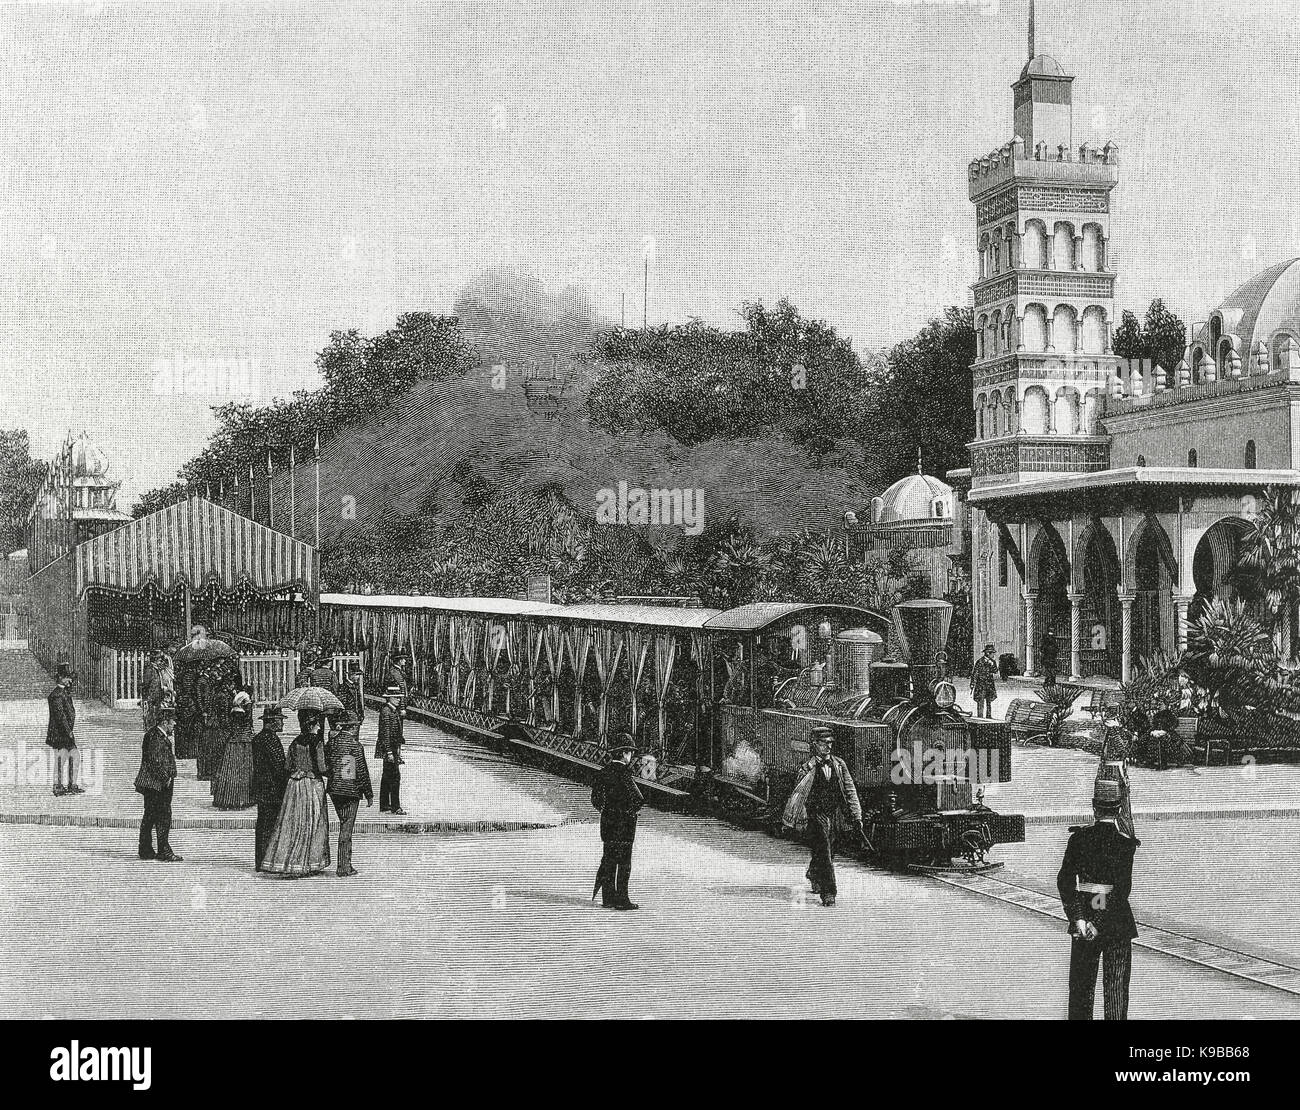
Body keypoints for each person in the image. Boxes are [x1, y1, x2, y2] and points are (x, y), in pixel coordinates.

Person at [1056, 777, 1140, 1020]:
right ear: (1119, 809)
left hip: (1083, 923)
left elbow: (1065, 882)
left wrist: (1081, 919)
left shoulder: (1078, 839)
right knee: (1115, 995)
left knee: (1081, 994)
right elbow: (1120, 892)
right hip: (1116, 925)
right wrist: (1099, 923)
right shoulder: (1125, 845)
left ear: (1094, 806)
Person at [783, 728, 864, 907]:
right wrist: (794, 818)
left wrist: (856, 815)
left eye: (830, 743)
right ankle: (829, 893)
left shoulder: (839, 765)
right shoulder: (807, 768)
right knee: (824, 850)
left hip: (836, 813)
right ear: (815, 745)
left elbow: (850, 790)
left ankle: (813, 872)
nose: (828, 746)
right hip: (816, 814)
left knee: (830, 850)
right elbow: (798, 795)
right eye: (824, 743)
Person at [261, 710, 331, 877]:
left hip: (295, 786)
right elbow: (322, 768)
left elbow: (287, 766)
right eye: (317, 724)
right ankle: (309, 863)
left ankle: (291, 862)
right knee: (313, 823)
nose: (320, 726)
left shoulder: (294, 742)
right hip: (312, 785)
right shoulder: (318, 743)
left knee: (293, 823)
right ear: (312, 725)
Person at [591, 735, 645, 910]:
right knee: (624, 863)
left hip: (608, 824)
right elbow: (638, 799)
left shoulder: (603, 772)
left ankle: (608, 899)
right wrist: (628, 812)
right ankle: (622, 900)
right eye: (630, 753)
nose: (631, 757)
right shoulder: (624, 773)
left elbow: (595, 799)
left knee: (609, 861)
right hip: (625, 827)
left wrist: (607, 811)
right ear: (624, 753)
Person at [325, 709, 373, 877]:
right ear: (352, 727)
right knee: (346, 828)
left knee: (343, 823)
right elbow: (360, 770)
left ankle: (343, 864)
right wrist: (368, 793)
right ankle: (344, 866)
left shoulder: (332, 743)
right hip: (350, 791)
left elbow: (326, 765)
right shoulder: (354, 745)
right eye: (356, 726)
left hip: (334, 790)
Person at [134, 704, 182, 862]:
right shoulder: (155, 736)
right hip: (156, 784)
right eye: (173, 721)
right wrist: (166, 777)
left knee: (151, 816)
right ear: (165, 722)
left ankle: (146, 850)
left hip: (156, 783)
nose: (174, 724)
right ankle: (163, 851)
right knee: (162, 816)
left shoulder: (156, 734)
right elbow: (154, 761)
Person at [250, 706, 288, 871]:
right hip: (272, 789)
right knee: (270, 826)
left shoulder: (259, 738)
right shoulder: (271, 740)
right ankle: (266, 862)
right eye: (280, 720)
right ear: (272, 722)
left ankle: (261, 861)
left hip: (262, 788)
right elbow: (279, 767)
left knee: (263, 825)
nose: (282, 723)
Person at [213, 690, 255, 809]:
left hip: (235, 743)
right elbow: (246, 723)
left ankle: (231, 799)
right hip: (241, 744)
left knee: (233, 771)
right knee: (238, 772)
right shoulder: (241, 714)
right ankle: (239, 800)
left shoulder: (235, 713)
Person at [46, 669, 80, 796]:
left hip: (66, 732)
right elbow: (60, 717)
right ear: (60, 677)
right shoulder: (56, 694)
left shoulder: (63, 692)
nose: (70, 681)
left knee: (73, 757)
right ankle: (58, 786)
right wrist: (68, 731)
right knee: (62, 758)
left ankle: (71, 785)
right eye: (67, 678)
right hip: (61, 733)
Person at [375, 686, 407, 815]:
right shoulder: (387, 712)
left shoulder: (391, 710)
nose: (399, 700)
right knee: (395, 777)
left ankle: (384, 805)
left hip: (392, 747)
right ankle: (395, 807)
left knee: (387, 776)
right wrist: (388, 752)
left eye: (399, 698)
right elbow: (385, 733)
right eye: (396, 698)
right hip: (389, 748)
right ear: (389, 698)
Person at [971, 643, 999, 719]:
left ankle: (988, 716)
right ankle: (980, 716)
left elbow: (996, 671)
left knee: (989, 701)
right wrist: (972, 683)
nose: (993, 655)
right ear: (987, 653)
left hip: (989, 684)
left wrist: (992, 664)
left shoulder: (993, 662)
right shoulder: (980, 661)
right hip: (981, 685)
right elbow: (975, 673)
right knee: (980, 701)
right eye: (992, 653)